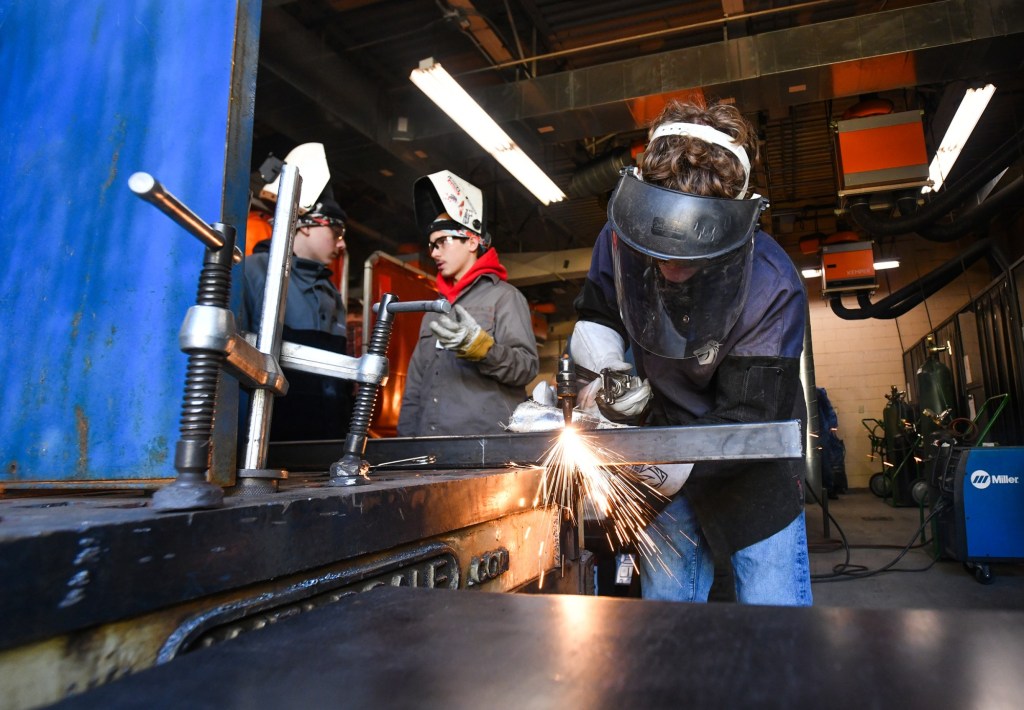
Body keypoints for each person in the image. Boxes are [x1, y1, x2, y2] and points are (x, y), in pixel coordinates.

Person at [570, 97, 812, 606]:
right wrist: (611, 374)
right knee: (666, 616)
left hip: (751, 463)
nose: (668, 267)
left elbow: (750, 416)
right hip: (663, 440)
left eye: (688, 256)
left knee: (776, 616)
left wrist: (657, 466)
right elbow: (596, 316)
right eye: (658, 250)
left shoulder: (772, 285)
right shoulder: (623, 232)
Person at [397, 170, 539, 436]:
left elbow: (526, 368)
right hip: (429, 445)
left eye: (442, 242)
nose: (435, 252)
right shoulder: (433, 311)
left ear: (472, 240)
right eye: (431, 245)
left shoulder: (505, 298)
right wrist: (406, 442)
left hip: (485, 445)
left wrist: (485, 350)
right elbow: (415, 386)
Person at [241, 186, 353, 442]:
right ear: (306, 225)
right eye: (336, 232)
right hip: (271, 438)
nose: (342, 243)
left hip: (326, 438)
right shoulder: (255, 272)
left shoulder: (330, 290)